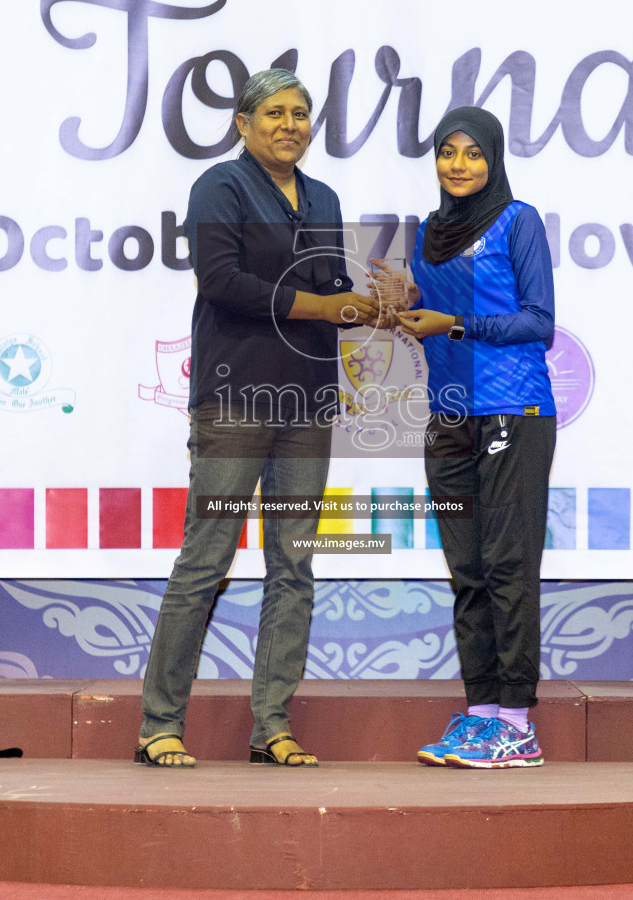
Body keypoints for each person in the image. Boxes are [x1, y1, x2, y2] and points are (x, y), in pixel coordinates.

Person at [135, 69, 379, 768]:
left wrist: (378, 303)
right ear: (243, 123)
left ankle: (272, 725)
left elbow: (335, 289)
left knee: (295, 565)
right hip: (234, 398)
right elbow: (222, 282)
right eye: (274, 113)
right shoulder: (221, 186)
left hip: (307, 404)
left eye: (300, 114)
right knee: (206, 560)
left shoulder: (324, 197)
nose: (290, 125)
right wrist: (320, 306)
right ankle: (159, 724)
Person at [391, 106, 556, 769]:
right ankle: (481, 713)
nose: (457, 164)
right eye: (446, 152)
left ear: (493, 159)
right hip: (449, 418)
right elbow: (428, 318)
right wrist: (398, 306)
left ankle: (517, 723)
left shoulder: (519, 222)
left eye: (472, 153)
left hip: (513, 412)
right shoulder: (429, 233)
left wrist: (454, 323)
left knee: (508, 566)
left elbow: (539, 322)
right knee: (468, 573)